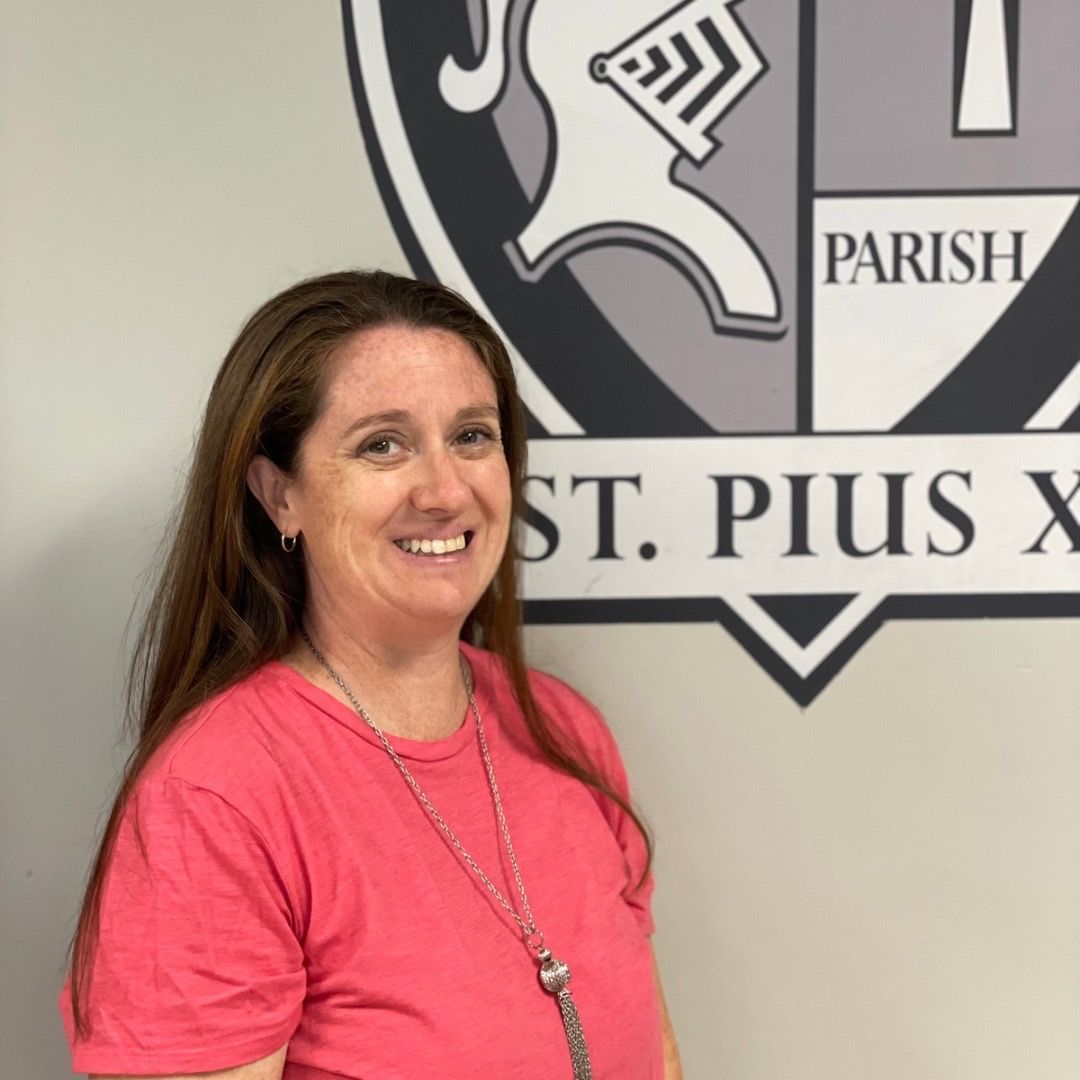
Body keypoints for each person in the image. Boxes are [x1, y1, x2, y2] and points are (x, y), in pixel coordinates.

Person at [59, 270, 682, 1079]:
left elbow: (654, 1054)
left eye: (472, 436)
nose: (445, 489)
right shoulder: (217, 796)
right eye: (382, 444)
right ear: (279, 495)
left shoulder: (563, 730)